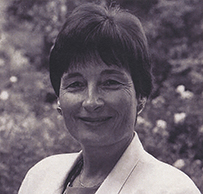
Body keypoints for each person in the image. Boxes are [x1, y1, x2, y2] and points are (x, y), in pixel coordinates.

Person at [18, 3, 201, 194]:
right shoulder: (39, 178)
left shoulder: (173, 189)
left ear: (141, 96)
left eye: (110, 82)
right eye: (76, 84)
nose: (91, 102)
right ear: (59, 99)